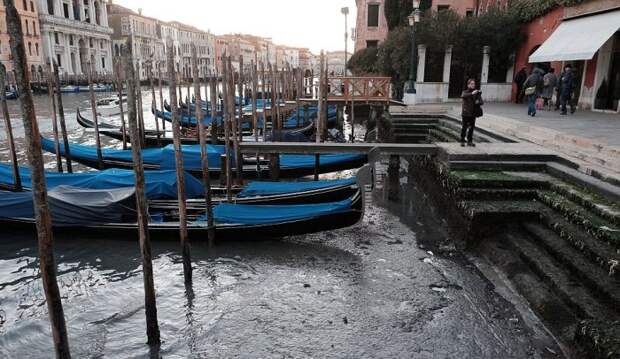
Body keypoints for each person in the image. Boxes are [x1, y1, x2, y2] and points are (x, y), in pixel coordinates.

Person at [460, 78, 484, 147]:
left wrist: (478, 101)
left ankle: (469, 141)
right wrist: (471, 93)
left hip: (473, 113)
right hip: (465, 113)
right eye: (471, 84)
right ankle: (462, 140)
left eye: (474, 84)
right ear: (468, 85)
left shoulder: (477, 93)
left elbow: (482, 102)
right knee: (464, 127)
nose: (473, 85)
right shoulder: (465, 91)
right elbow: (463, 96)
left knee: (471, 128)